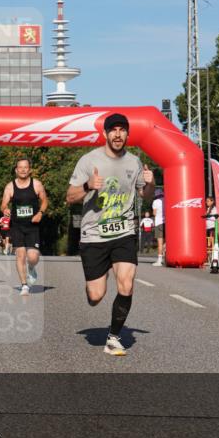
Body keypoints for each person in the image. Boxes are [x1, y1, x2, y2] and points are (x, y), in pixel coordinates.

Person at [66, 112, 154, 357]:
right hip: (93, 235)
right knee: (96, 296)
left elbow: (144, 195)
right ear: (104, 134)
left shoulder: (134, 162)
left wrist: (150, 183)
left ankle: (114, 337)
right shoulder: (88, 161)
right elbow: (69, 197)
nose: (118, 134)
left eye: (122, 130)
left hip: (123, 231)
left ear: (127, 134)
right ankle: (97, 279)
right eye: (113, 130)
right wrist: (87, 186)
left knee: (126, 282)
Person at [0, 157, 48, 295]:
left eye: (25, 167)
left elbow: (45, 201)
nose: (22, 170)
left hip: (33, 225)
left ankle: (31, 268)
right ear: (16, 170)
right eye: (20, 167)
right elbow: (3, 204)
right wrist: (5, 209)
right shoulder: (10, 186)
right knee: (20, 255)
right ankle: (24, 285)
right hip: (17, 226)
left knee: (32, 257)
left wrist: (40, 213)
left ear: (30, 170)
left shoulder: (37, 184)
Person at [151, 188, 165, 266]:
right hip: (166, 223)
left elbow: (154, 213)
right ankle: (166, 257)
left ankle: (159, 261)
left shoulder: (155, 202)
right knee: (166, 242)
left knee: (160, 242)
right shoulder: (166, 200)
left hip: (159, 223)